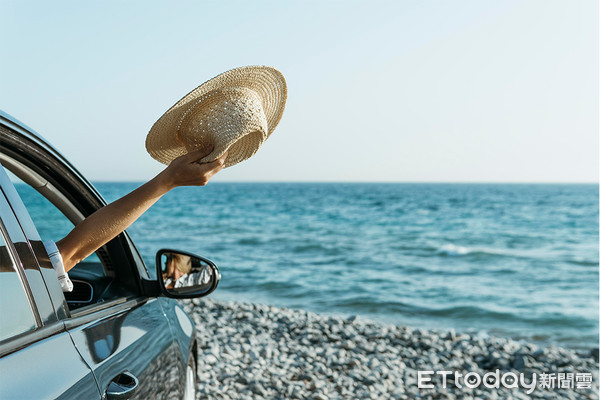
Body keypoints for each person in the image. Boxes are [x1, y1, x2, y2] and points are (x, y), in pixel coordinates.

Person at [44, 145, 226, 291]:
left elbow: (67, 254)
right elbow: (68, 254)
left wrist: (170, 179)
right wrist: (168, 180)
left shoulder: (18, 264)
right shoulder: (25, 268)